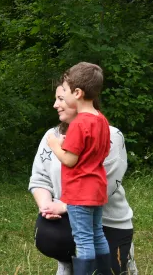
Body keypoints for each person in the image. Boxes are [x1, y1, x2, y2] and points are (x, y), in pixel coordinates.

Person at [29, 84, 137, 275]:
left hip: (107, 219)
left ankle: (122, 258)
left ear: (78, 97)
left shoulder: (110, 133)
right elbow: (40, 179)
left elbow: (107, 184)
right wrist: (46, 206)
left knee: (108, 264)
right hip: (69, 214)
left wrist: (63, 205)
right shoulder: (51, 135)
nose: (55, 105)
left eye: (61, 99)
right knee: (52, 237)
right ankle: (67, 261)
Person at [45, 62, 112, 275]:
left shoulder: (78, 123)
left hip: (79, 191)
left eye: (64, 91)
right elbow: (95, 150)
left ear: (77, 92)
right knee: (97, 234)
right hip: (97, 188)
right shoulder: (100, 119)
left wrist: (55, 144)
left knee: (83, 239)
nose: (62, 95)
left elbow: (70, 160)